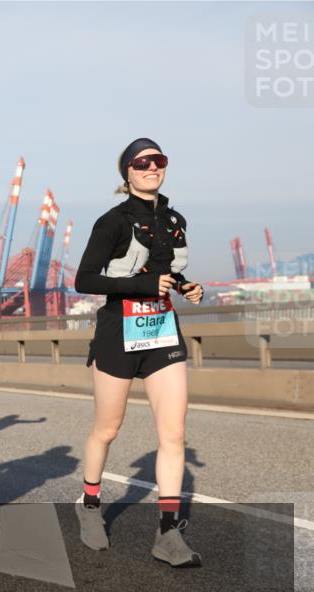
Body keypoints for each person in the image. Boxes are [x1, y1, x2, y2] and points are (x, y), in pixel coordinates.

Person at [73, 138, 204, 567]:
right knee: (107, 430)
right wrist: (145, 285)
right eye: (141, 162)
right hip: (118, 333)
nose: (151, 167)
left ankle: (167, 533)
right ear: (126, 172)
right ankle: (90, 504)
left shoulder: (174, 220)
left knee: (173, 434)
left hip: (162, 333)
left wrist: (187, 286)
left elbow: (169, 271)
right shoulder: (111, 222)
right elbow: (85, 280)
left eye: (158, 161)